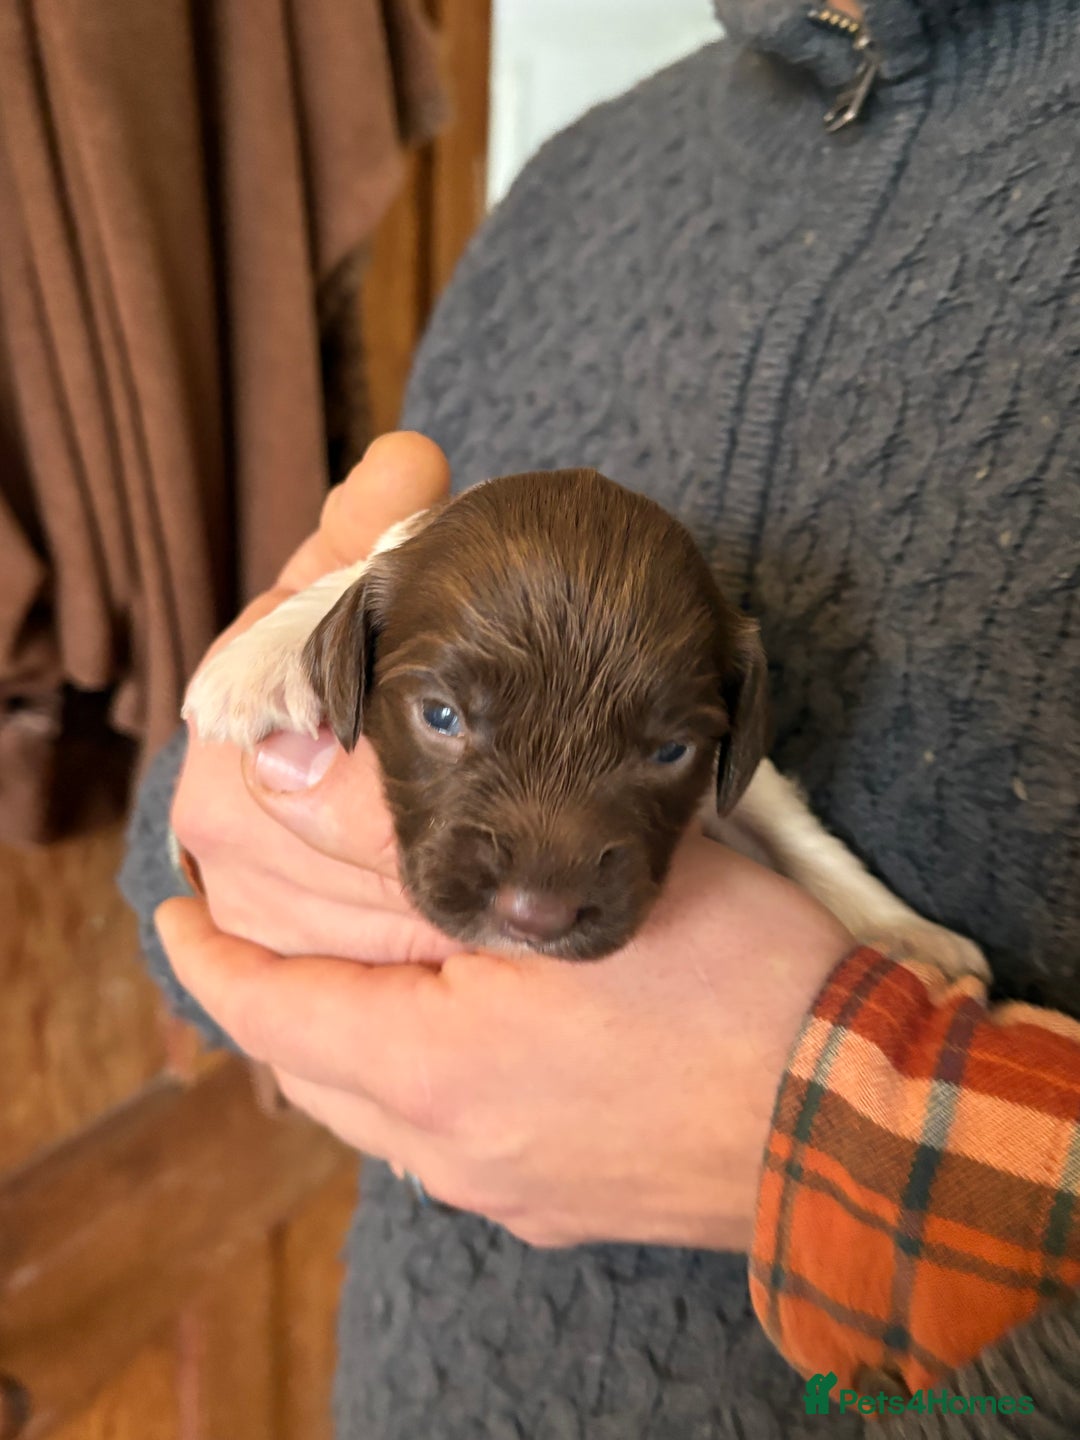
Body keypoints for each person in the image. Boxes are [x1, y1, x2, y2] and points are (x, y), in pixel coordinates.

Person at [121, 1, 1080, 1435]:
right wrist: (235, 828)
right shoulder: (571, 183)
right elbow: (189, 842)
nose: (533, 881)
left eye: (673, 747)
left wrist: (863, 1133)